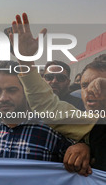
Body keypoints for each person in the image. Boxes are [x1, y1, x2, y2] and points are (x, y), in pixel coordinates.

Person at [10, 13, 102, 175]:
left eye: (100, 84)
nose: (91, 91)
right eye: (85, 86)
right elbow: (46, 106)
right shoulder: (95, 128)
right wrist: (25, 60)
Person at [0, 61, 74, 162]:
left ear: (26, 91)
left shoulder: (51, 131)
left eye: (12, 90)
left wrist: (83, 147)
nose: (3, 98)